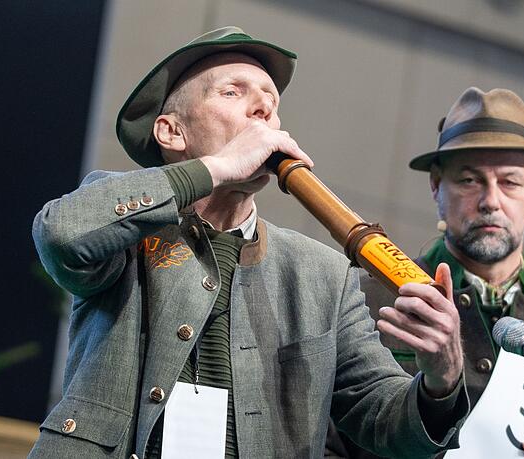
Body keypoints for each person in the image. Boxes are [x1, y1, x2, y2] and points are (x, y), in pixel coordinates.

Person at [29, 27, 469, 459]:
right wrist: (217, 167)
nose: (263, 108)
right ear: (171, 132)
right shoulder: (128, 228)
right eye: (232, 92)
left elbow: (385, 421)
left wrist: (441, 380)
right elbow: (63, 234)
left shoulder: (323, 275)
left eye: (271, 101)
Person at [326, 87, 524, 458]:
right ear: (435, 185)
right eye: (469, 180)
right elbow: (318, 446)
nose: (491, 200)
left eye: (510, 182)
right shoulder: (363, 303)